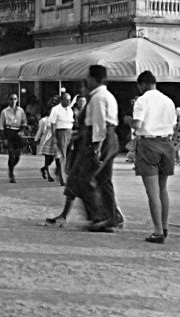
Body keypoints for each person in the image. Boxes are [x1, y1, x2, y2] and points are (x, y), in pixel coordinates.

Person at [47, 65, 122, 231]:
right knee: (104, 179)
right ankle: (113, 216)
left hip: (98, 139)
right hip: (107, 138)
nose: (86, 80)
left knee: (85, 178)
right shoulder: (106, 95)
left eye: (88, 77)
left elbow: (99, 124)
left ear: (94, 78)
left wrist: (96, 148)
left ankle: (100, 217)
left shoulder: (98, 98)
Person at [131, 71, 177, 244]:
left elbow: (137, 125)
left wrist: (129, 120)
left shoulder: (142, 100)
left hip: (148, 144)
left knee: (152, 191)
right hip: (166, 144)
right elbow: (172, 123)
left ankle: (157, 231)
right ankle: (164, 227)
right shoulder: (168, 100)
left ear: (141, 84)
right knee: (162, 188)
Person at [0, 92, 27, 183]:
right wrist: (4, 138)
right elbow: (1, 126)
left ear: (17, 100)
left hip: (18, 133)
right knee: (11, 155)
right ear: (8, 100)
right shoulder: (4, 112)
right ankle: (11, 174)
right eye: (11, 99)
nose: (13, 101)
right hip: (9, 132)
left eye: (15, 99)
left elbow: (24, 122)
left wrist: (22, 130)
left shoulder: (21, 111)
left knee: (17, 156)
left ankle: (11, 168)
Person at [48, 93, 75, 185]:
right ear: (62, 100)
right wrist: (54, 137)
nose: (69, 102)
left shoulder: (70, 109)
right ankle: (62, 179)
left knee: (69, 155)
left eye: (70, 100)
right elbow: (53, 123)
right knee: (62, 156)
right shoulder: (56, 109)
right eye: (67, 100)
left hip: (69, 132)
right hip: (61, 132)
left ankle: (61, 172)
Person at [34, 104, 58, 182]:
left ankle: (44, 168)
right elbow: (40, 130)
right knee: (47, 158)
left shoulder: (57, 119)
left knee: (53, 158)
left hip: (54, 140)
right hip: (46, 140)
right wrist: (36, 139)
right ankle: (49, 175)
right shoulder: (44, 120)